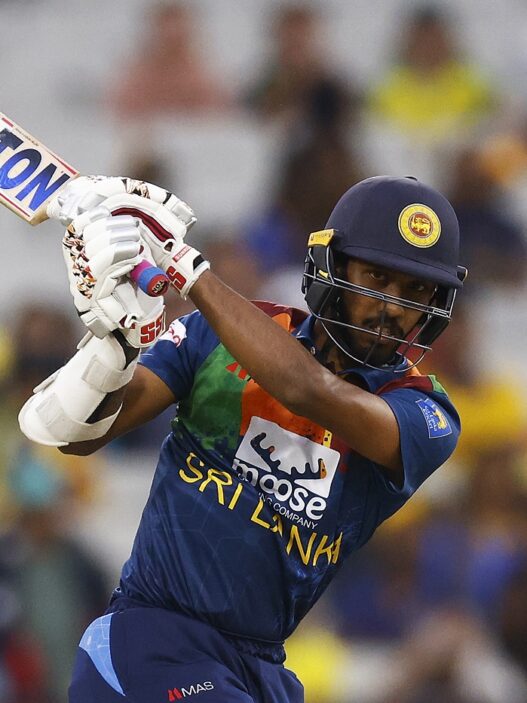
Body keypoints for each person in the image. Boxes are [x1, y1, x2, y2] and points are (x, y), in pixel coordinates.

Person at [18, 174, 466, 702]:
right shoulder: (216, 336)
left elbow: (308, 389)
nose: (392, 307)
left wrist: (186, 268)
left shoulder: (425, 413)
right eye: (377, 278)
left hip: (261, 666)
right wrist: (115, 348)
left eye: (415, 291)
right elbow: (83, 436)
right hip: (153, 638)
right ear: (332, 267)